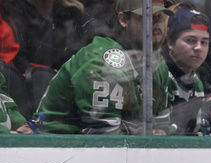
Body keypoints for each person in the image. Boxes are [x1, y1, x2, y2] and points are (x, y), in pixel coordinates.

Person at [33, 0, 173, 134]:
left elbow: (162, 128)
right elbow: (105, 137)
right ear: (123, 20)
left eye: (160, 16)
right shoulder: (100, 59)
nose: (156, 23)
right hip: (54, 146)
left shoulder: (157, 64)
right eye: (147, 16)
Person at [160, 6, 211, 135]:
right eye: (190, 40)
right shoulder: (160, 76)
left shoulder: (196, 83)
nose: (199, 47)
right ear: (170, 42)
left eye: (204, 42)